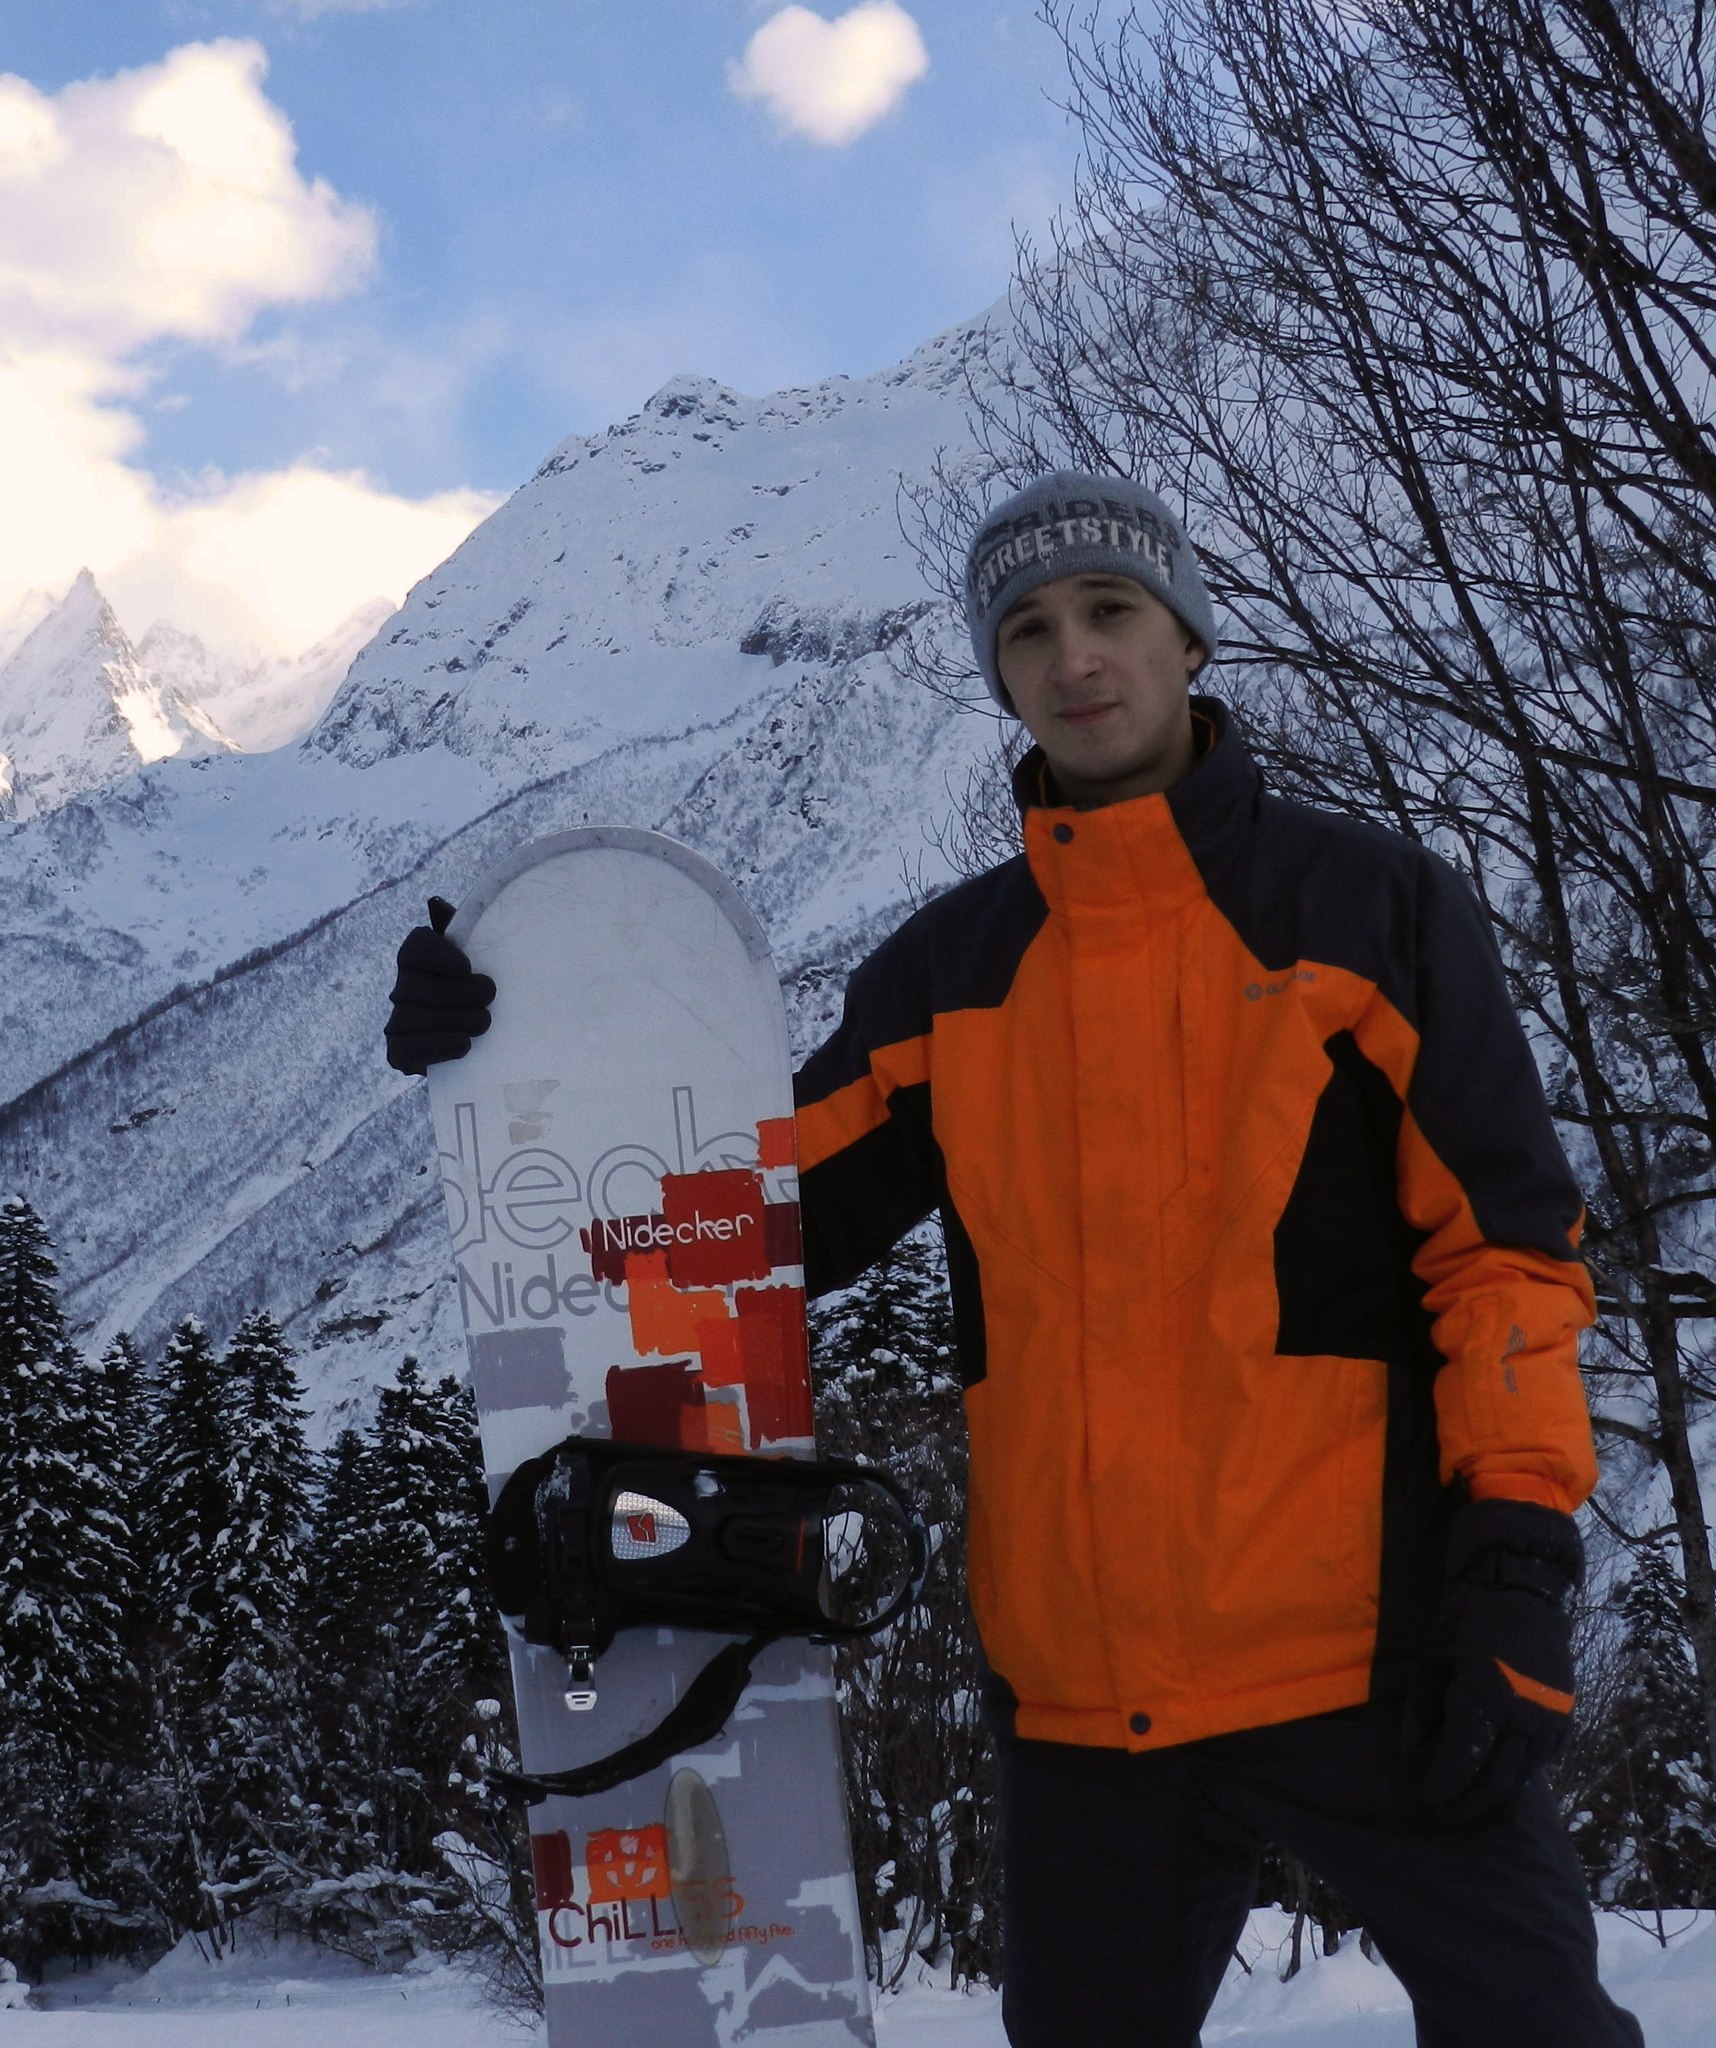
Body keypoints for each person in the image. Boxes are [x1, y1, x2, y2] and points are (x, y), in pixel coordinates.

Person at [386, 472, 1643, 2047]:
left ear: (1189, 639)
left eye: (1111, 610)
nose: (1074, 657)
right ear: (1000, 674)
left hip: (1371, 1662)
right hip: (1082, 1708)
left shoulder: (1369, 913)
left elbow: (1506, 1262)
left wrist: (1515, 1564)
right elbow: (731, 1232)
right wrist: (515, 1046)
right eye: (1030, 630)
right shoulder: (952, 974)